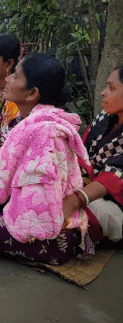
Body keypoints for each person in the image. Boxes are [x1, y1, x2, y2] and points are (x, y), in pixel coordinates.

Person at [0, 53, 94, 265]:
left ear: (32, 93)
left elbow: (36, 213)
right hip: (35, 211)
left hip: (49, 239)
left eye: (15, 76)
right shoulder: (32, 120)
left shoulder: (42, 134)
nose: (7, 79)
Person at [62, 66, 123, 243]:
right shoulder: (104, 118)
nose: (103, 93)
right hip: (88, 186)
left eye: (111, 88)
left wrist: (75, 200)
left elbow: (115, 178)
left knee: (100, 216)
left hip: (115, 200)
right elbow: (81, 153)